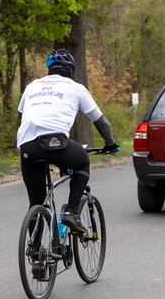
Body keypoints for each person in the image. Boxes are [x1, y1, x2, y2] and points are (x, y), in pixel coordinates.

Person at [16, 50, 120, 234]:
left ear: (50, 70)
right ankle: (72, 212)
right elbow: (100, 122)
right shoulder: (76, 87)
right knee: (82, 162)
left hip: (27, 146)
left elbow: (23, 114)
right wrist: (110, 144)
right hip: (55, 143)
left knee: (36, 203)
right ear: (70, 70)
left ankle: (36, 255)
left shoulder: (32, 85)